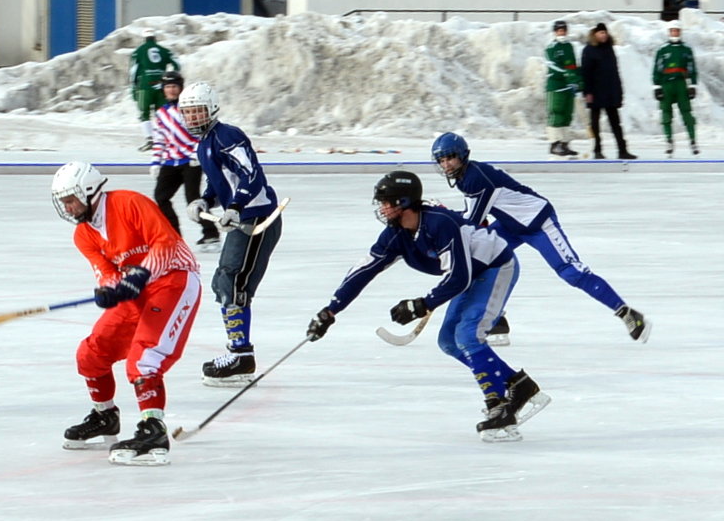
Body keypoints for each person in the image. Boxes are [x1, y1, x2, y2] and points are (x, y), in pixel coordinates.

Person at [305, 170, 550, 443]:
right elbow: (364, 270)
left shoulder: (438, 223)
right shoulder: (395, 235)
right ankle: (519, 385)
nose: (382, 208)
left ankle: (498, 405)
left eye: (387, 202)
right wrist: (331, 310)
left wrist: (422, 304)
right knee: (449, 342)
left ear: (405, 202)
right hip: (469, 275)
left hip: (495, 267)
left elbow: (459, 277)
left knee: (468, 335)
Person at [431, 131, 650, 342]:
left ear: (462, 155)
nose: (446, 164)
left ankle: (627, 313)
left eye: (450, 157)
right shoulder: (465, 177)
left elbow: (470, 221)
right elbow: (474, 218)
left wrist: (441, 216)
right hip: (511, 224)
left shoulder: (475, 177)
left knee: (572, 272)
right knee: (480, 257)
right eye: (442, 160)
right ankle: (496, 317)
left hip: (537, 222)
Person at [52, 161, 201, 466]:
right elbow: (106, 272)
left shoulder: (129, 203)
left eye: (70, 199)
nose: (67, 207)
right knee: (90, 354)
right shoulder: (84, 234)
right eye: (63, 202)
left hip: (174, 280)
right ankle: (105, 416)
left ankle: (153, 429)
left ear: (89, 191)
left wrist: (138, 275)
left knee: (144, 358)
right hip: (138, 293)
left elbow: (167, 243)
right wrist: (110, 289)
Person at [181, 81, 283, 387]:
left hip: (257, 219)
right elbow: (220, 181)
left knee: (233, 280)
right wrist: (205, 200)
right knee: (225, 281)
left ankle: (241, 356)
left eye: (198, 111)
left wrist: (236, 206)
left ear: (211, 108)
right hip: (242, 219)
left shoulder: (228, 136)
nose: (193, 118)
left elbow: (251, 174)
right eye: (188, 113)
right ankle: (239, 352)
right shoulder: (205, 144)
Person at [149, 70, 220, 252]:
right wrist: (156, 162)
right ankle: (174, 237)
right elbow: (159, 139)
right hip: (170, 162)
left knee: (193, 199)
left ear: (180, 88)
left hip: (190, 162)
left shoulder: (188, 109)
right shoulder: (161, 114)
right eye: (168, 87)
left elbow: (201, 132)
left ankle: (211, 234)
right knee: (161, 197)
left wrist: (198, 153)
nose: (171, 90)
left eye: (174, 86)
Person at [581, 22, 635, 160]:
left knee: (615, 123)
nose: (603, 35)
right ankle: (597, 150)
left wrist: (619, 92)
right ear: (595, 34)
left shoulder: (609, 49)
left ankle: (622, 150)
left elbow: (614, 72)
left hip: (610, 92)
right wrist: (587, 92)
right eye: (600, 33)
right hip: (595, 92)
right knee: (595, 123)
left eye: (605, 32)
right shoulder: (589, 50)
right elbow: (586, 72)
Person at [652, 20, 699, 157]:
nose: (675, 33)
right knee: (666, 114)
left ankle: (693, 140)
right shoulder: (663, 50)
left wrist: (692, 85)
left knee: (687, 113)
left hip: (681, 84)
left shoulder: (686, 50)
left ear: (680, 32)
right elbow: (657, 69)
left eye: (677, 30)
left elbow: (691, 68)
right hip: (666, 84)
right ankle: (669, 141)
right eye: (672, 30)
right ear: (669, 32)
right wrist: (656, 87)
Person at [129, 28, 179, 152]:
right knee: (162, 113)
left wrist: (133, 86)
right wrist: (172, 78)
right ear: (155, 38)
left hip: (145, 86)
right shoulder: (164, 51)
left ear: (144, 38)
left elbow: (133, 71)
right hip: (161, 85)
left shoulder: (138, 51)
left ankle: (150, 140)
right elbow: (177, 64)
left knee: (144, 113)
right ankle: (164, 139)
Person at [544, 20, 582, 158]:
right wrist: (566, 74)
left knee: (567, 115)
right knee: (556, 113)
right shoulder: (551, 48)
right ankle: (555, 143)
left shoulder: (569, 47)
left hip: (568, 87)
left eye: (564, 30)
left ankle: (565, 143)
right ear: (555, 32)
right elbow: (552, 65)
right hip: (556, 86)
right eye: (559, 31)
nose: (562, 33)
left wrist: (577, 80)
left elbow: (573, 65)